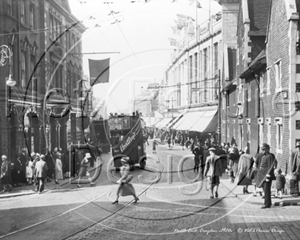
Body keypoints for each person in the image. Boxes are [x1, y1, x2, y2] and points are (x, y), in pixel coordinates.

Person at [255, 143, 277, 209]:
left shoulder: (270, 156)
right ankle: (268, 203)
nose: (263, 151)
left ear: (268, 149)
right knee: (265, 190)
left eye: (264, 150)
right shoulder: (264, 156)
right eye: (262, 150)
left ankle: (267, 204)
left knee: (266, 190)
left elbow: (270, 167)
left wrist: (268, 176)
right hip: (263, 175)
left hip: (266, 176)